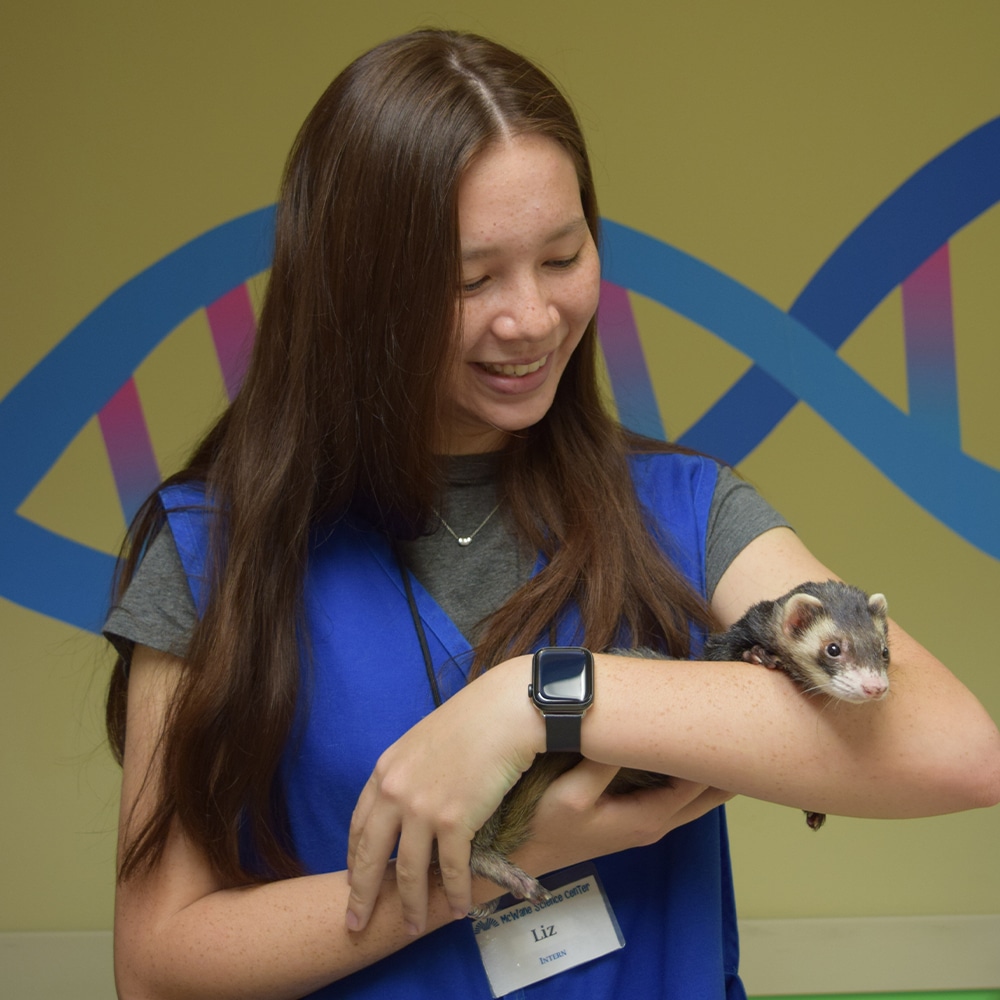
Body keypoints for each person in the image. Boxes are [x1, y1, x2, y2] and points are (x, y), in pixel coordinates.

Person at [104, 28, 1000, 1000]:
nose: (530, 318)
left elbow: (953, 750)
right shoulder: (209, 553)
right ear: (357, 291)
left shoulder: (686, 512)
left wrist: (537, 699)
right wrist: (492, 856)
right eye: (469, 278)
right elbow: (159, 967)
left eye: (562, 256)